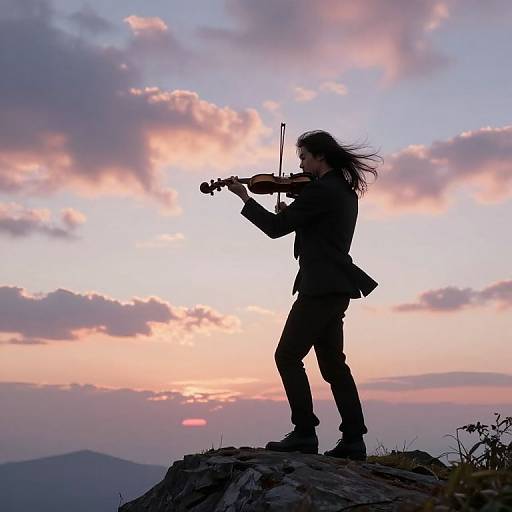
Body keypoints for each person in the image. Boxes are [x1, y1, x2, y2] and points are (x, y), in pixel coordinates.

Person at [227, 130, 381, 460]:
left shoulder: (321, 191)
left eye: (303, 157)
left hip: (320, 286)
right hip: (336, 285)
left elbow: (273, 229)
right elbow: (316, 228)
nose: (300, 165)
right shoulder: (341, 190)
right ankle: (353, 439)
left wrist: (244, 197)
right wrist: (293, 213)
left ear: (319, 157)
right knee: (333, 366)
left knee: (287, 356)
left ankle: (304, 432)